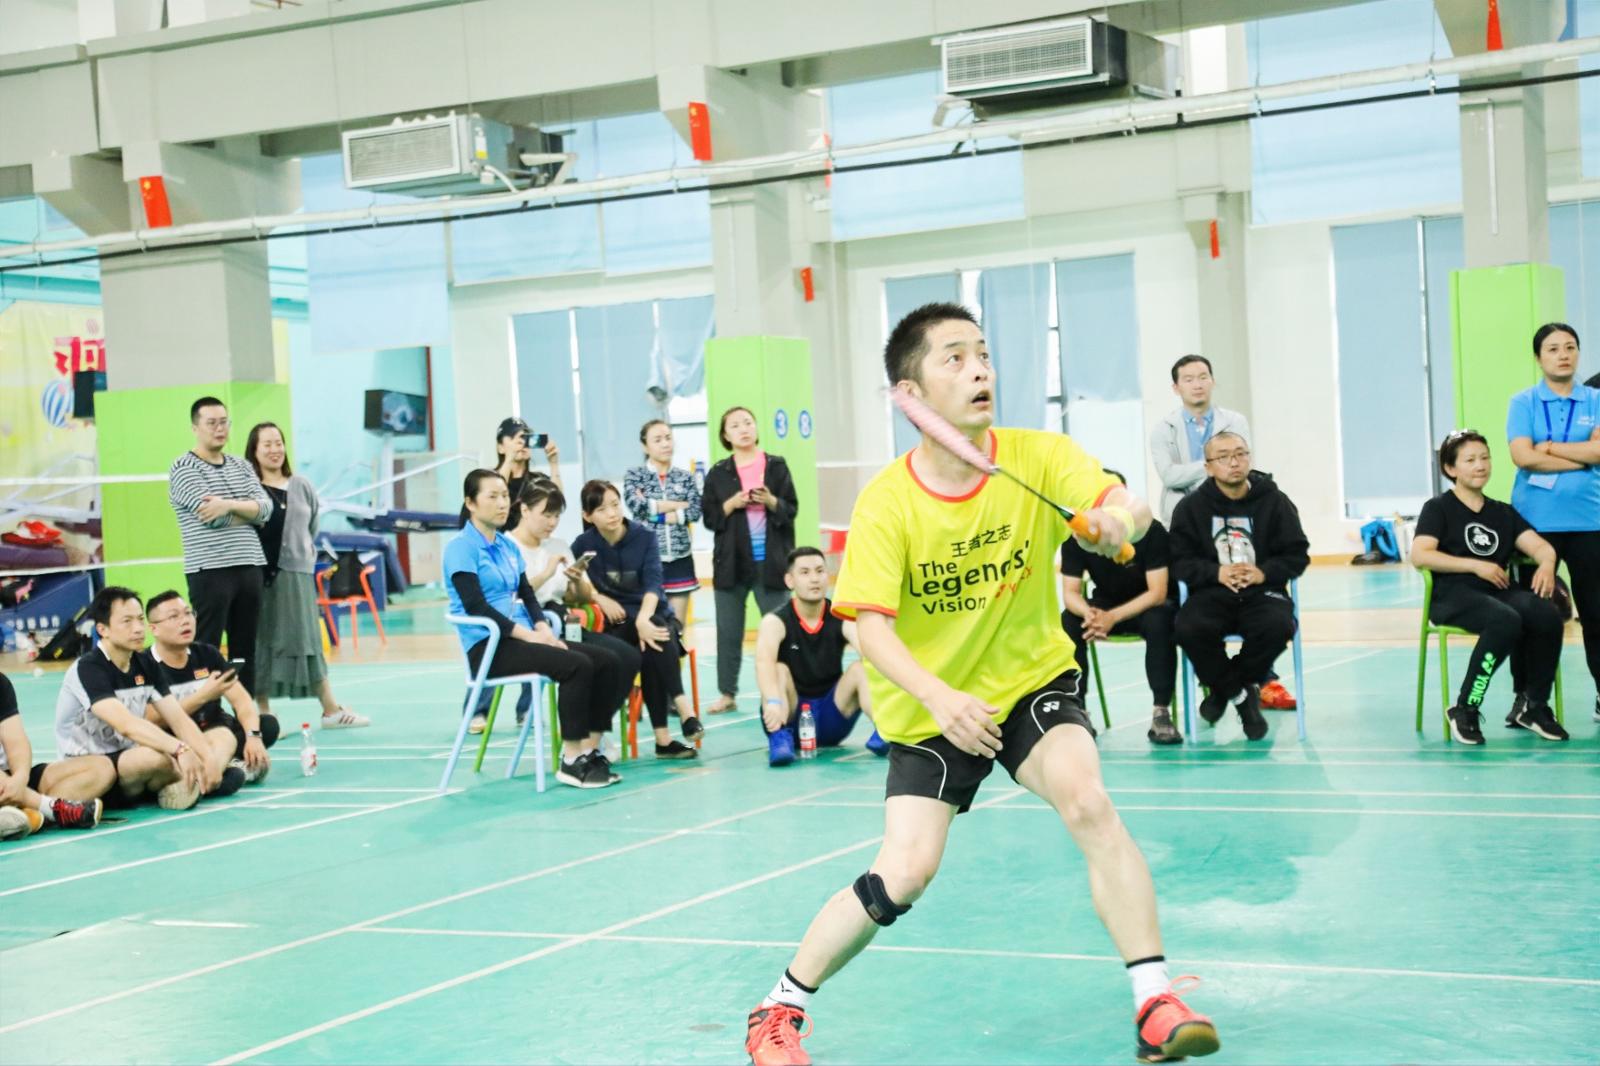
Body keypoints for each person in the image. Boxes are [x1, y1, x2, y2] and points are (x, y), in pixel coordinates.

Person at [742, 304, 1218, 1066]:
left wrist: (1119, 523)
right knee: (904, 873)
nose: (980, 371)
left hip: (1029, 679)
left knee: (1089, 801)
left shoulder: (1037, 456)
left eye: (984, 354)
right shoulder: (888, 502)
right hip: (929, 707)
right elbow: (871, 630)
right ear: (912, 393)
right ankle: (778, 1009)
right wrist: (941, 699)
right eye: (955, 358)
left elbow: (1124, 502)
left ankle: (1155, 999)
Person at [445, 470, 630, 789]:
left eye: (505, 496)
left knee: (607, 660)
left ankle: (589, 750)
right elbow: (477, 607)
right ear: (470, 503)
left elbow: (527, 594)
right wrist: (531, 636)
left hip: (521, 639)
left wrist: (542, 628)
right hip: (488, 648)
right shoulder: (461, 548)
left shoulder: (506, 545)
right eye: (492, 496)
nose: (502, 503)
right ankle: (571, 761)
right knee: (576, 665)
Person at [1148, 358, 1295, 712]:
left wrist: (1218, 467)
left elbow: (1238, 467)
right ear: (1176, 388)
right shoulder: (1163, 430)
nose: (1197, 384)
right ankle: (1217, 680)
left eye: (1203, 377)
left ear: (1212, 381)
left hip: (1239, 524)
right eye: (1188, 379)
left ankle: (1250, 681)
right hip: (1189, 528)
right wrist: (1214, 470)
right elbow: (1169, 476)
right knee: (1192, 613)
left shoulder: (1235, 421)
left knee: (1262, 604)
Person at [1410, 431, 1566, 744]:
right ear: (1451, 468)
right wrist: (1475, 565)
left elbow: (1540, 547)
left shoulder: (1502, 512)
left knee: (1546, 614)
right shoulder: (1438, 508)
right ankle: (1466, 707)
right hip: (1453, 594)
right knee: (1505, 619)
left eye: (1484, 458)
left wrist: (1547, 563)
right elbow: (1420, 554)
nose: (1480, 465)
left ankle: (1533, 705)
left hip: (1497, 592)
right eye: (1470, 460)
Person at [1169, 432, 1309, 741]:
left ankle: (1223, 691)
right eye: (1223, 457)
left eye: (1240, 454)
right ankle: (1244, 698)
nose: (1234, 462)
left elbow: (1297, 554)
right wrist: (1216, 573)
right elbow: (1179, 561)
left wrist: (1263, 573)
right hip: (1212, 591)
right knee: (1188, 627)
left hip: (1263, 592)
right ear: (1208, 467)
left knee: (1278, 626)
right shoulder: (1190, 508)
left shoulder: (1275, 502)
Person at [504, 479, 656, 753]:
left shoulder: (559, 545)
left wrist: (575, 581)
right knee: (589, 663)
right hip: (529, 626)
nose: (552, 523)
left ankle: (592, 736)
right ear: (525, 510)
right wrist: (546, 574)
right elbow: (510, 596)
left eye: (556, 516)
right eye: (546, 515)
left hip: (564, 619)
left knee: (628, 657)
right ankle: (577, 746)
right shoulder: (507, 547)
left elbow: (579, 596)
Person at [53, 587, 227, 811]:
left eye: (140, 619)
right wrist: (181, 749)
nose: (138, 628)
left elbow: (178, 719)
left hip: (126, 761)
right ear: (103, 629)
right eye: (127, 621)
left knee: (213, 743)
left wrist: (208, 759)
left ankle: (173, 786)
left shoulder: (145, 664)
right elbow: (127, 725)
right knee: (155, 758)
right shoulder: (88, 668)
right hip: (86, 766)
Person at [246, 422, 370, 730]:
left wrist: (299, 554)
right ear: (254, 451)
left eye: (278, 442)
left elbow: (311, 527)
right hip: (261, 576)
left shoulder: (301, 485)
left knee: (307, 639)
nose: (275, 449)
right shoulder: (249, 490)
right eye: (267, 444)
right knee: (262, 640)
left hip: (298, 575)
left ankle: (331, 710)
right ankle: (262, 713)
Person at [1507, 323, 1600, 724]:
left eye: (1570, 347)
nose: (1563, 355)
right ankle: (1526, 698)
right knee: (1531, 614)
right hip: (1534, 523)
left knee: (1596, 612)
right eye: (1553, 348)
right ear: (1538, 357)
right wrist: (1582, 456)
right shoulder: (1523, 402)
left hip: (1590, 522)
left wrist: (1550, 448)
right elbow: (1523, 457)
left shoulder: (1596, 399)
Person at [572, 480, 704, 757]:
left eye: (615, 504)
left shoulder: (644, 537)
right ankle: (670, 732)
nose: (612, 513)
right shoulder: (583, 546)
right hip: (617, 623)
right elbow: (577, 590)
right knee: (651, 642)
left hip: (651, 611)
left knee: (655, 633)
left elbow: (654, 585)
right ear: (588, 516)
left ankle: (680, 712)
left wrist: (643, 619)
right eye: (602, 509)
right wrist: (598, 597)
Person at [1060, 470, 1182, 745]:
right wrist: (1089, 614)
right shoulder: (1077, 538)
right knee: (1069, 621)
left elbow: (1157, 593)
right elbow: (1070, 593)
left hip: (1145, 605)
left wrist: (1112, 617)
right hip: (1104, 605)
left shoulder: (1152, 532)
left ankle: (1161, 713)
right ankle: (1077, 710)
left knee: (1160, 620)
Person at [168, 397, 274, 694]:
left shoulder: (241, 465)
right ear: (195, 428)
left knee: (245, 648)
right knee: (207, 647)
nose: (220, 428)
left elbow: (267, 511)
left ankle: (246, 713)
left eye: (224, 422)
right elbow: (212, 519)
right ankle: (206, 711)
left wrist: (228, 504)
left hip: (250, 566)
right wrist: (249, 513)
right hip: (210, 570)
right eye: (212, 423)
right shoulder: (183, 467)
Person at [700, 407, 799, 714]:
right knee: (728, 631)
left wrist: (770, 500)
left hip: (771, 562)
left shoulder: (776, 466)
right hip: (731, 563)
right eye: (735, 425)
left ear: (756, 428)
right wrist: (732, 503)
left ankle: (783, 688)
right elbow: (710, 518)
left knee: (780, 629)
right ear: (725, 436)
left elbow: (791, 509)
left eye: (747, 423)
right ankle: (727, 693)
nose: (743, 429)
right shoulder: (718, 473)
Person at [753, 547, 886, 767]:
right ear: (790, 580)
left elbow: (870, 652)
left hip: (831, 716)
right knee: (778, 669)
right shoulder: (775, 622)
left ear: (828, 575)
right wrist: (773, 702)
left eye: (819, 571)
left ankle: (885, 730)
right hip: (791, 716)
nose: (814, 579)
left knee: (861, 668)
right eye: (805, 572)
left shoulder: (842, 617)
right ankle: (779, 738)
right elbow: (763, 663)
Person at [144, 590, 283, 782]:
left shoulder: (207, 654)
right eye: (173, 617)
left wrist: (253, 737)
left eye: (188, 613)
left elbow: (242, 701)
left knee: (266, 725)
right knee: (229, 776)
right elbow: (152, 719)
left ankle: (216, 770)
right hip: (178, 741)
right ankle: (215, 773)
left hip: (215, 728)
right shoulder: (144, 664)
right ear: (154, 629)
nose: (185, 621)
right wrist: (203, 695)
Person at [0, 671, 107, 839]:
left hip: (10, 782)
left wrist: (20, 777)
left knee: (101, 768)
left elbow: (16, 742)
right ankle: (52, 809)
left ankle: (26, 814)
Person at [624, 419, 703, 628]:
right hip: (646, 560)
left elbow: (695, 511)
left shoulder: (685, 478)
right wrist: (678, 505)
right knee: (650, 624)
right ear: (645, 446)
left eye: (668, 438)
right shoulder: (635, 476)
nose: (665, 444)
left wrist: (654, 511)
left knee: (677, 628)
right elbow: (636, 505)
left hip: (679, 560)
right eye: (657, 440)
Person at [457, 417, 562, 529]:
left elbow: (557, 504)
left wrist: (554, 464)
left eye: (525, 438)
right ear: (500, 448)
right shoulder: (485, 480)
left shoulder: (538, 481)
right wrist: (509, 459)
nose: (521, 442)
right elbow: (469, 517)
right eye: (513, 437)